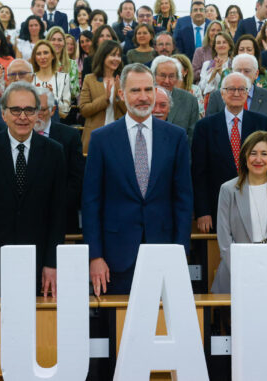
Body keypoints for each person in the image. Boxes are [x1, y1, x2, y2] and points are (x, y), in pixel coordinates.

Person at [83, 63, 193, 296]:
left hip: (164, 251)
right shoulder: (101, 139)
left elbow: (183, 200)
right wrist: (95, 256)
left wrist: (180, 252)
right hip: (115, 257)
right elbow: (91, 202)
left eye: (148, 89)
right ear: (122, 94)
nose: (143, 97)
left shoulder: (176, 137)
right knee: (118, 327)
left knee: (162, 327)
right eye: (135, 91)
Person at [0, 81, 67, 298]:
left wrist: (52, 263)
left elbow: (58, 214)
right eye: (16, 110)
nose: (22, 116)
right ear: (3, 113)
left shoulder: (54, 152)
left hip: (39, 264)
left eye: (29, 110)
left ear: (38, 113)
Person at [211, 131, 267, 293]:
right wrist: (242, 271)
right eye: (253, 154)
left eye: (264, 154)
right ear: (245, 157)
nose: (258, 159)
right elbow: (224, 239)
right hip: (236, 274)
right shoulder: (228, 190)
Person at [192, 72, 267, 233]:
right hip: (217, 205)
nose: (236, 93)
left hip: (256, 204)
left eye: (241, 89)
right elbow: (198, 173)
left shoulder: (262, 123)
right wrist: (203, 212)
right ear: (222, 93)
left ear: (247, 93)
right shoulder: (204, 127)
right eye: (231, 89)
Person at [205, 54, 267, 152]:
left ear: (256, 74)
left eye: (247, 71)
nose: (242, 74)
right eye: (238, 71)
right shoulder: (217, 97)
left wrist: (265, 154)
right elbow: (209, 132)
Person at [34, 88, 85, 233]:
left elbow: (76, 180)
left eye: (42, 110)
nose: (37, 115)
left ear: (52, 110)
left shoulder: (70, 136)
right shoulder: (22, 134)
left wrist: (55, 205)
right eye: (33, 109)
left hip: (62, 217)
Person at [79, 40, 126, 153]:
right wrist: (105, 98)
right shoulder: (89, 79)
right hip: (95, 136)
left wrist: (118, 96)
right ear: (103, 56)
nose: (116, 59)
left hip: (118, 136)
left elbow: (129, 111)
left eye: (119, 56)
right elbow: (84, 110)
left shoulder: (124, 80)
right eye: (113, 55)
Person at [151, 55, 200, 143]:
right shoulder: (145, 98)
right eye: (162, 75)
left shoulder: (190, 101)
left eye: (171, 76)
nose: (167, 81)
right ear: (154, 76)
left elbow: (193, 138)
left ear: (178, 78)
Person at [0, 59, 35, 135]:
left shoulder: (45, 102)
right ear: (8, 79)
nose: (17, 78)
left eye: (22, 74)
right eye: (12, 75)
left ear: (32, 77)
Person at [30, 41, 72, 119]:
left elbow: (66, 111)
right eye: (39, 54)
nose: (42, 57)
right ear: (35, 58)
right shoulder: (30, 79)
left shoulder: (64, 78)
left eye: (45, 53)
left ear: (53, 55)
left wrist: (53, 97)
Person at [198, 31, 234, 97]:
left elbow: (234, 86)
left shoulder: (234, 64)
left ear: (230, 46)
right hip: (210, 100)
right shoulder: (207, 64)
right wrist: (213, 73)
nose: (221, 45)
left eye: (224, 42)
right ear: (215, 47)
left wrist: (221, 73)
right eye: (218, 43)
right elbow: (201, 88)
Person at [47, 27, 80, 98]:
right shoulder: (42, 62)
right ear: (47, 42)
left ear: (64, 43)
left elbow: (75, 92)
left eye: (60, 40)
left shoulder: (72, 64)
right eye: (53, 39)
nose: (56, 43)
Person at [172, 54, 204, 119]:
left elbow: (200, 115)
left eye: (177, 67)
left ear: (185, 72)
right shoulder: (164, 90)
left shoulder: (195, 90)